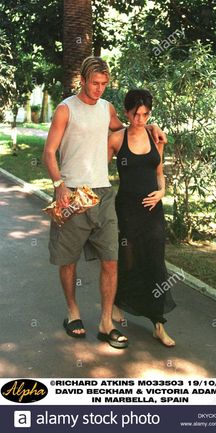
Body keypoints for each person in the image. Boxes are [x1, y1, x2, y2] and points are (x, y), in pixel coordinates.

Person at [43, 56, 167, 349]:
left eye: (104, 84)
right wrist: (59, 185)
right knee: (68, 259)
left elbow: (131, 125)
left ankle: (106, 322)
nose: (99, 89)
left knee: (112, 259)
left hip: (102, 193)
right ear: (83, 80)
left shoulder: (106, 108)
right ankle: (73, 312)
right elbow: (49, 152)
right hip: (72, 192)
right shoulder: (65, 109)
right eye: (95, 83)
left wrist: (153, 126)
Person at [108, 89, 176, 347]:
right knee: (128, 259)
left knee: (155, 262)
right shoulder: (116, 139)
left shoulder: (155, 136)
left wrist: (162, 191)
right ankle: (117, 303)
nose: (141, 119)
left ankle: (159, 324)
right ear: (126, 113)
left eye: (146, 114)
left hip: (153, 211)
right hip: (127, 209)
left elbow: (159, 172)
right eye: (136, 114)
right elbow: (97, 169)